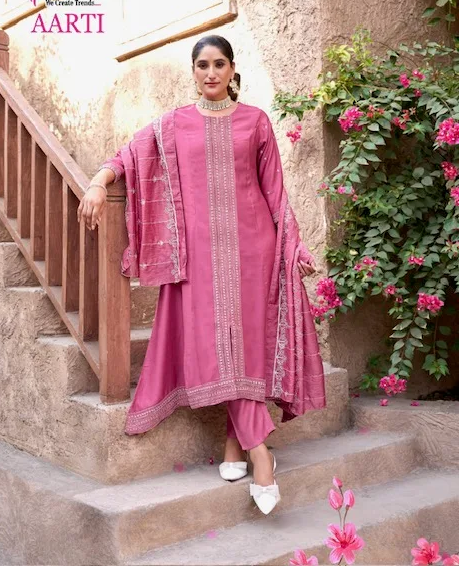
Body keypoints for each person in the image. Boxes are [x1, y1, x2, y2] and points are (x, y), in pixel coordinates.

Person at [77, 35, 326, 515]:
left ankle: (237, 446)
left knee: (244, 347)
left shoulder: (256, 121)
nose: (210, 73)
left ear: (232, 70)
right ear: (193, 71)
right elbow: (127, 156)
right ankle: (260, 455)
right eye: (202, 65)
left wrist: (292, 243)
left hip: (254, 249)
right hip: (197, 257)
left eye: (219, 64)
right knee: (218, 344)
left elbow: (275, 190)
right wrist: (97, 182)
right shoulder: (172, 125)